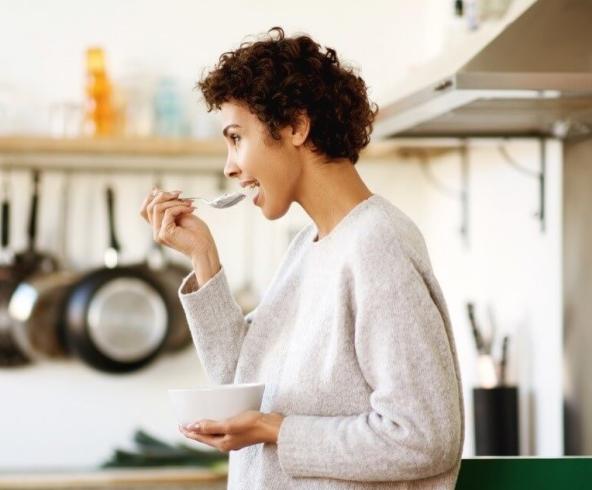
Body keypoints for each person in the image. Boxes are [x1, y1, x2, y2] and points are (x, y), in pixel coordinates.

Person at [140, 27, 464, 490]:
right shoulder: (307, 248)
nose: (229, 166)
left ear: (295, 125)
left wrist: (275, 429)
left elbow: (422, 437)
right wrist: (203, 257)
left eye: (236, 138)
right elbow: (242, 377)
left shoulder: (378, 245)